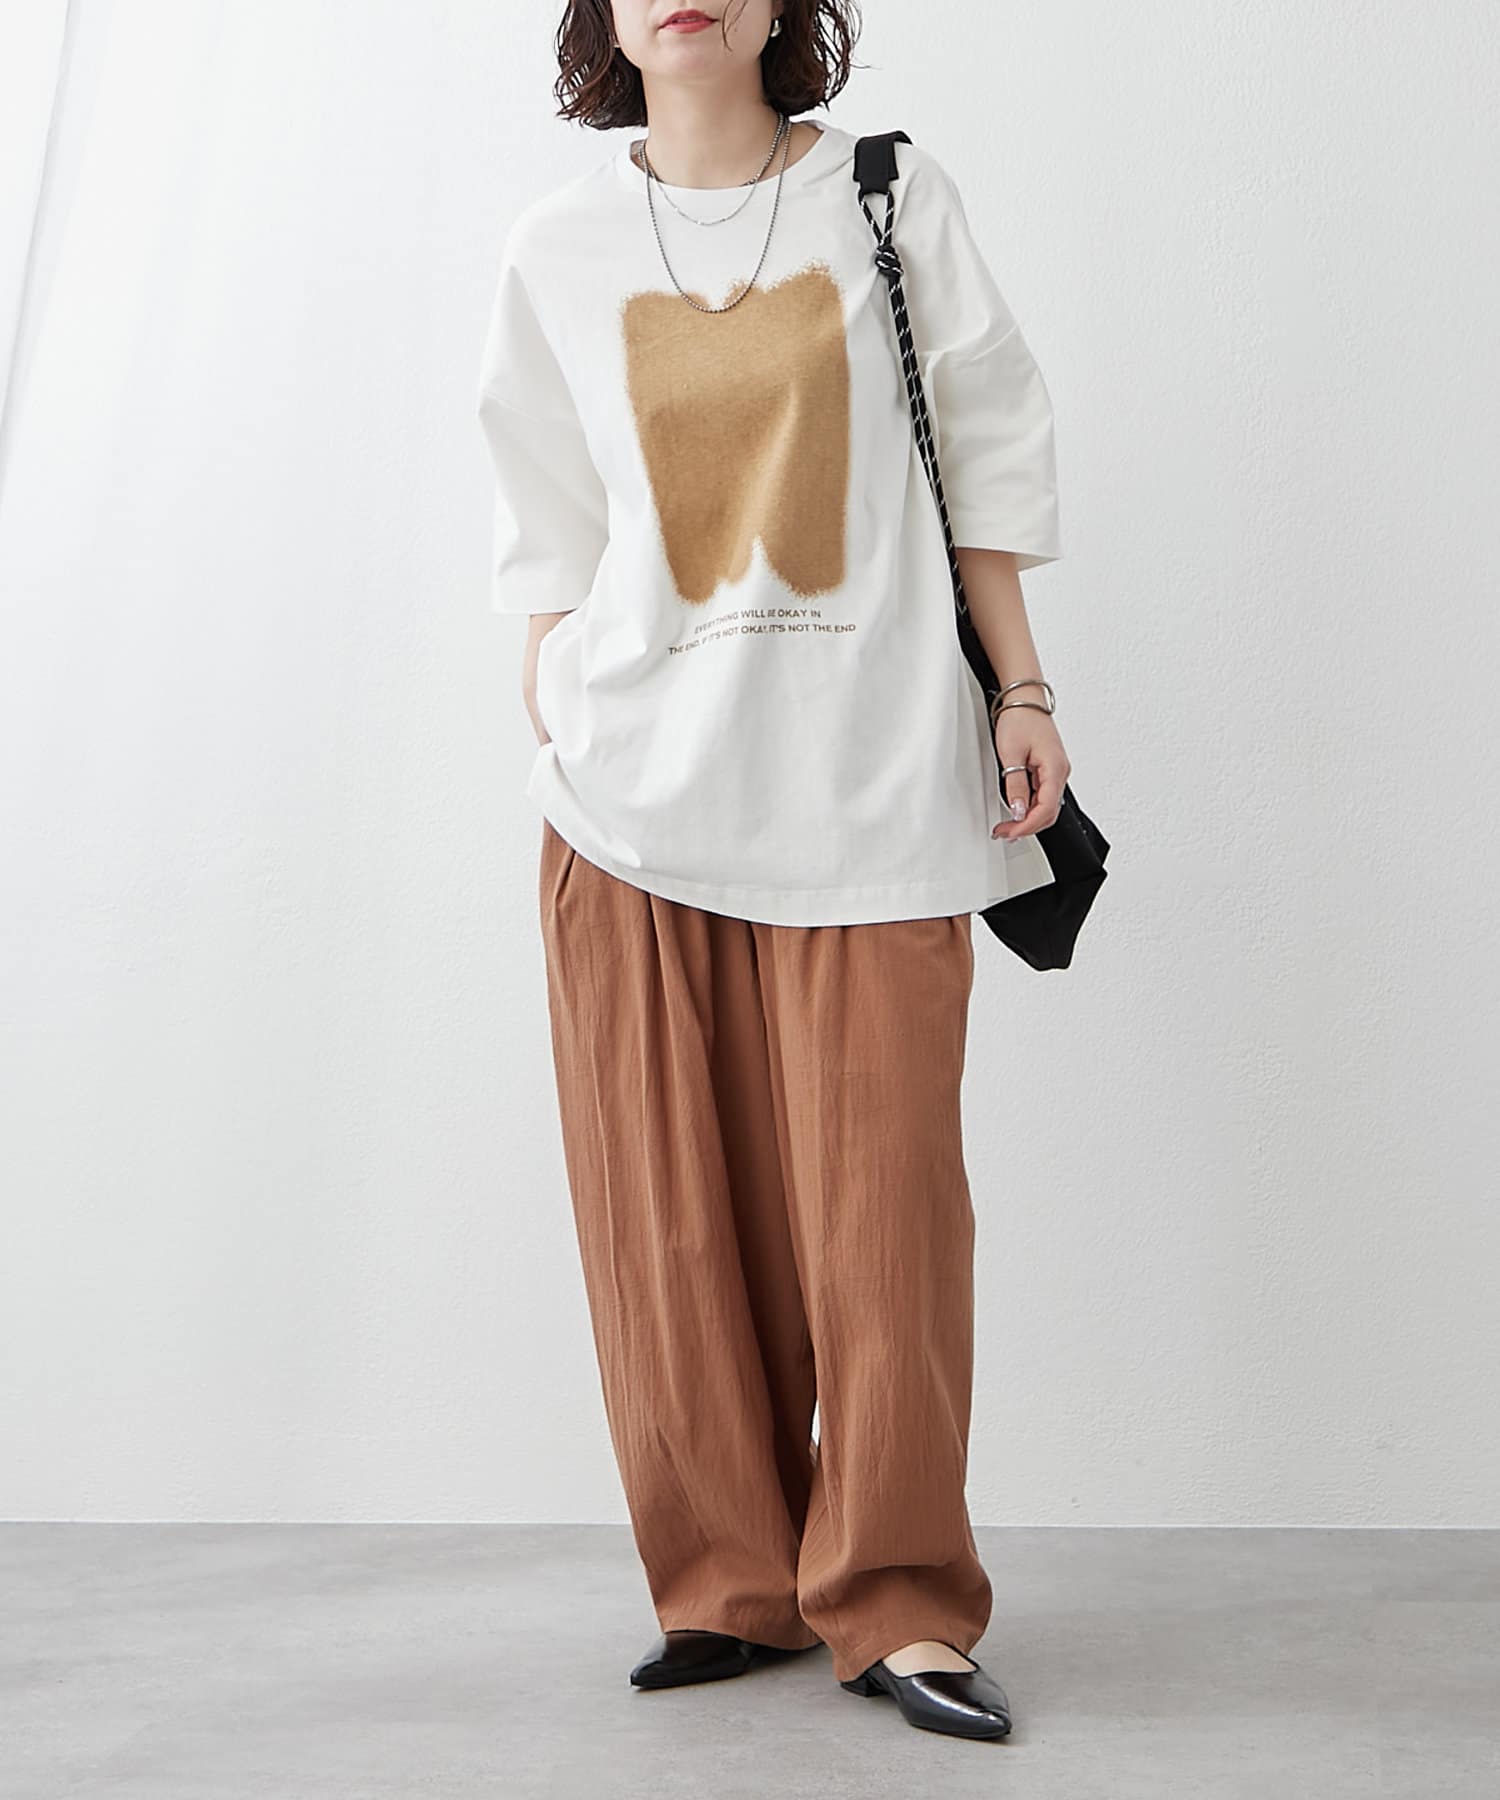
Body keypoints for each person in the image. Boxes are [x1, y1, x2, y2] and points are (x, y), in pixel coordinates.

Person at [476, 0, 1071, 1745]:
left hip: (867, 790)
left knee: (886, 1226)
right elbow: (543, 522)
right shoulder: (558, 245)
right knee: (665, 1224)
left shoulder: (885, 195)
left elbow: (983, 447)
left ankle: (897, 1601)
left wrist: (1024, 690)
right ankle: (725, 1584)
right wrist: (560, 697)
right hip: (632, 809)